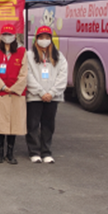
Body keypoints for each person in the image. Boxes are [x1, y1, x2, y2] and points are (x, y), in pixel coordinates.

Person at [26, 26, 67, 164]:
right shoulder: (29, 55)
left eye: (47, 37)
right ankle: (34, 152)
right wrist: (41, 92)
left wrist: (52, 92)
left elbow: (63, 76)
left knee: (48, 125)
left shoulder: (59, 56)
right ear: (36, 39)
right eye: (41, 37)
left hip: (52, 97)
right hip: (35, 96)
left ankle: (46, 152)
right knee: (32, 124)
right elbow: (28, 75)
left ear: (51, 39)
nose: (44, 40)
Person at [0, 24, 28, 165]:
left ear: (14, 36)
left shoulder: (22, 51)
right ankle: (0, 152)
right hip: (0, 92)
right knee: (0, 123)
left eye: (9, 34)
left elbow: (24, 73)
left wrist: (14, 88)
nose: (7, 37)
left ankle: (10, 153)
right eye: (4, 34)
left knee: (14, 123)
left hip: (16, 93)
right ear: (1, 36)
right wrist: (3, 87)